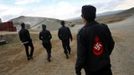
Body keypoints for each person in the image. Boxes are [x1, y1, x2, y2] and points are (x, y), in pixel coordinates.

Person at [75, 5, 115, 75]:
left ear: (83, 16)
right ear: (95, 15)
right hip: (106, 69)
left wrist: (78, 69)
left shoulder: (82, 33)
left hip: (91, 71)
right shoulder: (104, 27)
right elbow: (111, 44)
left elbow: (81, 55)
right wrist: (104, 55)